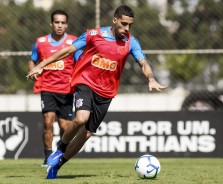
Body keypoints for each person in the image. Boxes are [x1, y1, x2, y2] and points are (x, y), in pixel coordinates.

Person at [27, 5, 167, 179]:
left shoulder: (131, 42)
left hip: (106, 93)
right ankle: (60, 148)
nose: (126, 28)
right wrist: (41, 65)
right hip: (85, 83)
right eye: (123, 24)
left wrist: (151, 78)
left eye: (130, 25)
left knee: (86, 133)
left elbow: (143, 62)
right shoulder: (94, 35)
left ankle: (58, 165)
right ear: (114, 20)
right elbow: (68, 50)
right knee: (80, 118)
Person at [28, 9, 81, 167]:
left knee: (65, 127)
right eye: (56, 22)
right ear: (51, 23)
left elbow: (79, 63)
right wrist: (32, 70)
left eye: (63, 23)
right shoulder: (41, 42)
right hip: (47, 89)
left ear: (66, 25)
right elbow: (32, 60)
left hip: (66, 90)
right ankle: (47, 156)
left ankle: (60, 151)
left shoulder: (73, 42)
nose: (59, 25)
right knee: (48, 122)